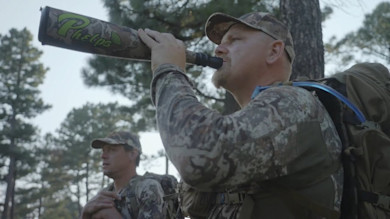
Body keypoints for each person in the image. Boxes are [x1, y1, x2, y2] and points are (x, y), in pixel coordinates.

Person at [138, 11, 343, 218]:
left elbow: (197, 153)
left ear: (273, 51)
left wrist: (169, 70)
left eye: (234, 40)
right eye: (220, 44)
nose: (218, 50)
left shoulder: (295, 104)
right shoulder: (246, 124)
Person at [80, 131, 165, 219]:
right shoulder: (105, 194)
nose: (103, 156)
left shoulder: (147, 188)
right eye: (103, 150)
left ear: (132, 154)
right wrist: (85, 214)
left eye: (112, 150)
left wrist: (110, 215)